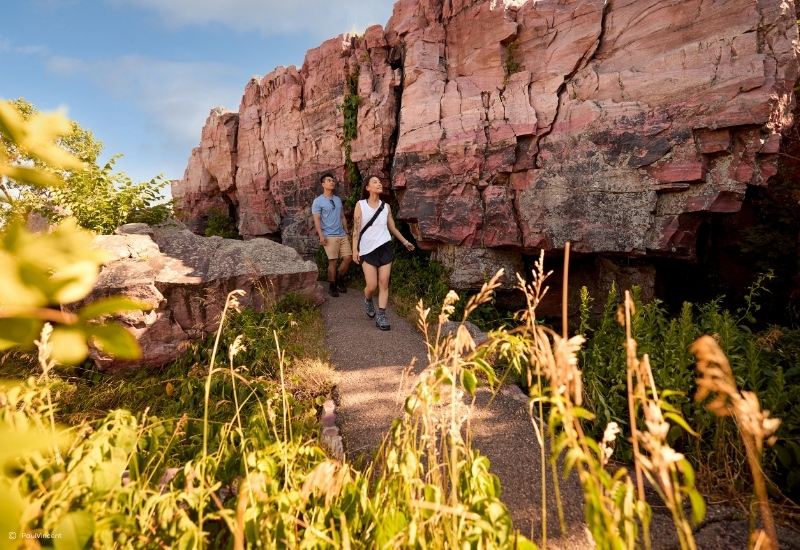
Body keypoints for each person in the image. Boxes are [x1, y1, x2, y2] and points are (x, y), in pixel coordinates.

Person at [352, 175, 414, 330]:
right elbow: (356, 229)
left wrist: (405, 242)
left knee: (384, 283)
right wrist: (354, 249)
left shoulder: (385, 207)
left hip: (384, 247)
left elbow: (392, 227)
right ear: (367, 188)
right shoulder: (360, 205)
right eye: (375, 182)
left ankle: (381, 316)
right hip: (367, 249)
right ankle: (368, 299)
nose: (379, 184)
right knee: (371, 286)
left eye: (379, 182)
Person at [312, 172, 352, 297]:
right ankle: (332, 285)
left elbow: (342, 216)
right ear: (323, 184)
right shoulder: (318, 201)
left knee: (348, 258)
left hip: (341, 234)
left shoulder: (337, 199)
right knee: (333, 261)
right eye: (329, 180)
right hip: (329, 235)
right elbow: (317, 219)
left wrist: (346, 231)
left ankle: (339, 279)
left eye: (333, 180)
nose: (332, 182)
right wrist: (321, 236)